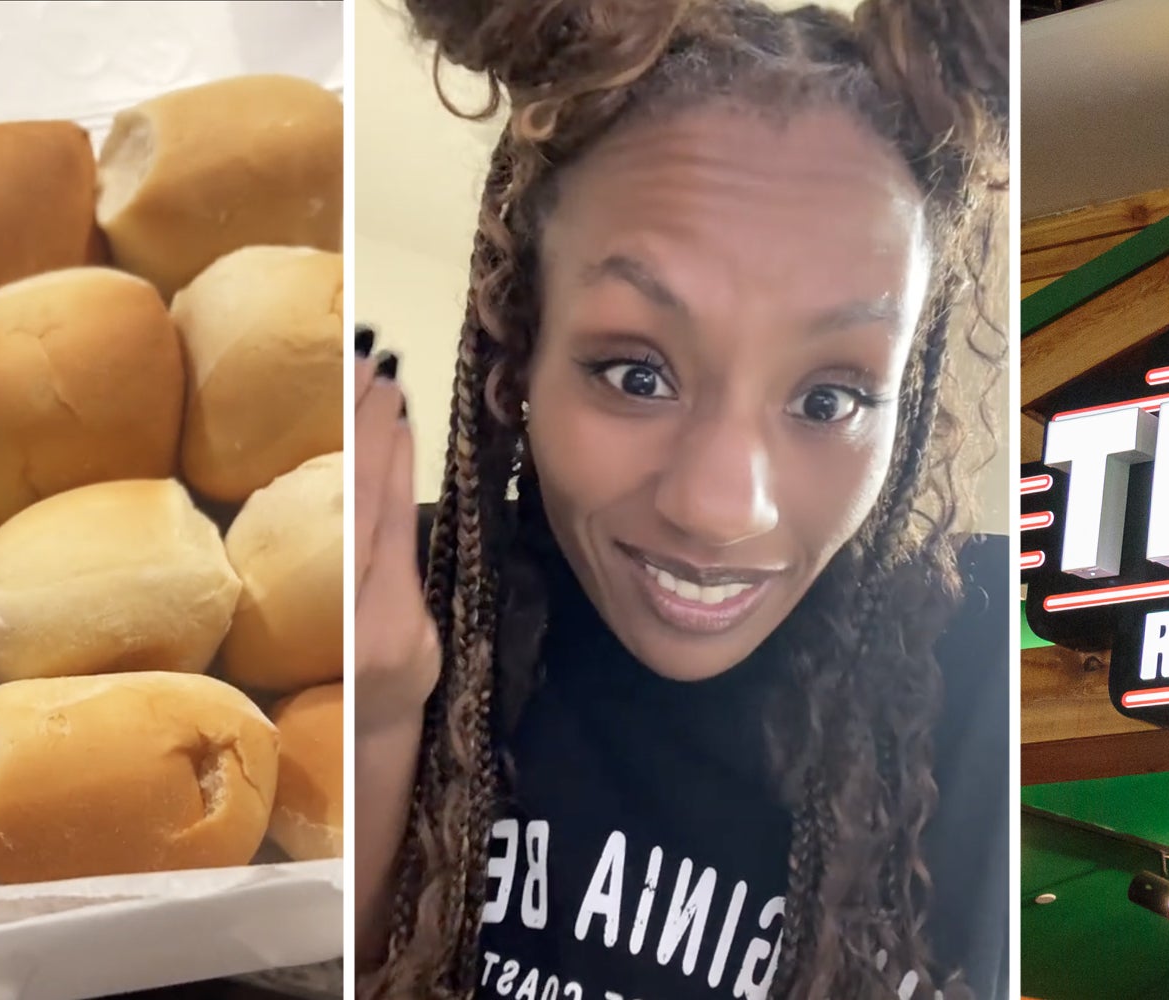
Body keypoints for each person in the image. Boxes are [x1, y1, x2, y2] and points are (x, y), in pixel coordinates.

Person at [353, 1, 1010, 998]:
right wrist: (371, 727)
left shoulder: (987, 678)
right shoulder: (397, 605)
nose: (718, 508)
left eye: (827, 398)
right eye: (635, 373)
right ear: (521, 345)